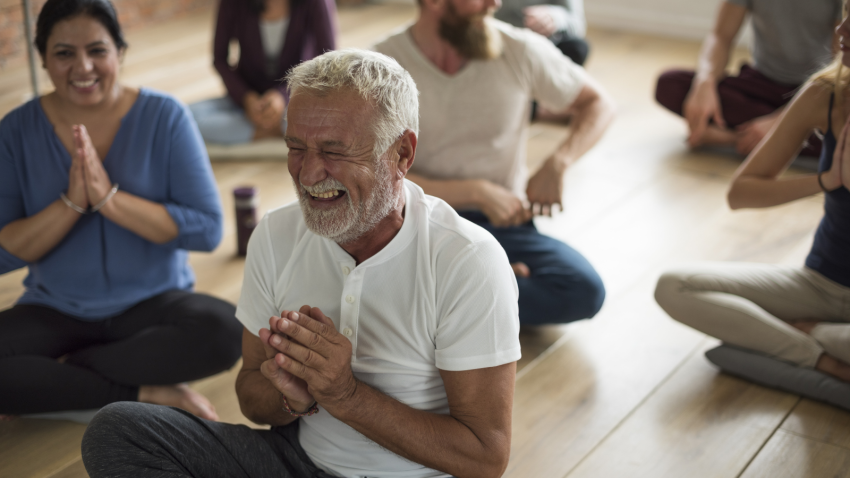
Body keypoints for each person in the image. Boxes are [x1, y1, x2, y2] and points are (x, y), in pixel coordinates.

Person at [81, 49, 521, 478]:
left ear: (402, 154)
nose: (308, 175)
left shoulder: (468, 260)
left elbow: (485, 458)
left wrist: (346, 395)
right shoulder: (276, 235)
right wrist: (294, 396)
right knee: (117, 430)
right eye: (296, 147)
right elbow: (252, 396)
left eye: (334, 150)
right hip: (296, 461)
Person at [0, 0, 242, 421]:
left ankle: (61, 378)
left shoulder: (165, 116)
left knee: (225, 332)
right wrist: (72, 202)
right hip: (55, 308)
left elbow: (206, 230)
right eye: (64, 53)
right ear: (42, 60)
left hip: (153, 304)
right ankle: (144, 389)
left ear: (120, 51)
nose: (83, 67)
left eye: (97, 50)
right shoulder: (16, 130)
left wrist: (109, 199)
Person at [374, 0, 615, 326]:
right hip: (412, 223)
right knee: (355, 275)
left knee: (583, 290)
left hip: (501, 222)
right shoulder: (383, 65)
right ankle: (484, 288)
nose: (495, 3)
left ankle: (448, 296)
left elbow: (598, 103)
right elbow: (375, 172)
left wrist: (558, 162)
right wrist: (476, 191)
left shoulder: (519, 48)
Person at [654, 11, 850, 385]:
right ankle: (822, 357)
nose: (840, 30)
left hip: (819, 307)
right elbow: (741, 193)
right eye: (844, 17)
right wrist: (828, 180)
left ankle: (802, 333)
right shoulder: (825, 92)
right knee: (674, 286)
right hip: (820, 285)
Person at [655, 0, 841, 157]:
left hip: (818, 90)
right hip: (761, 83)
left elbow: (837, 68)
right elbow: (720, 37)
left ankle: (735, 138)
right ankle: (773, 140)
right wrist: (705, 81)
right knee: (669, 84)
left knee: (843, 129)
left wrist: (780, 121)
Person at [189, 0, 337, 145]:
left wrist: (283, 96)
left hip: (297, 98)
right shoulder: (232, 3)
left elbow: (327, 61)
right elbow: (220, 59)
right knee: (187, 115)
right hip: (248, 97)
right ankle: (279, 131)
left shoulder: (317, 2)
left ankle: (257, 131)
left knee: (331, 119)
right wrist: (246, 98)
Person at [494, 0, 589, 66]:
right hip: (499, 39)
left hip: (545, 45)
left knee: (578, 47)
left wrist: (555, 18)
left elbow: (578, 23)